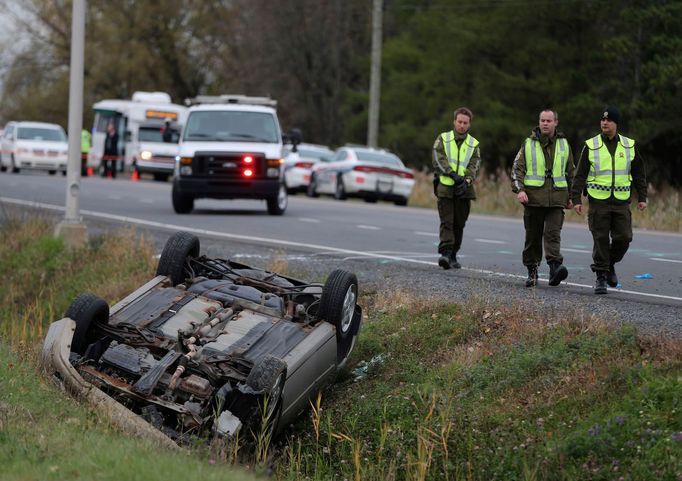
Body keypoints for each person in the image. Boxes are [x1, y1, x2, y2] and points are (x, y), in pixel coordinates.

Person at [571, 106, 647, 294]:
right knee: (600, 239)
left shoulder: (629, 145)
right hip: (599, 201)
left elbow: (639, 173)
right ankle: (601, 278)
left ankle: (609, 263)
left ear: (616, 124)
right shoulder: (591, 145)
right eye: (602, 120)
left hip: (621, 200)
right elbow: (580, 174)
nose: (605, 123)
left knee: (624, 238)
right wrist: (576, 198)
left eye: (609, 120)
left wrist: (643, 196)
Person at [511, 109, 575, 287]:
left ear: (556, 122)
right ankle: (532, 271)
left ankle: (555, 268)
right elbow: (517, 168)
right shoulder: (528, 143)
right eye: (542, 120)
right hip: (533, 199)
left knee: (553, 234)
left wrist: (573, 197)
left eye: (549, 120)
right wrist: (520, 190)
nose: (545, 123)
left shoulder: (564, 144)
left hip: (557, 199)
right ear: (538, 122)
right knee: (533, 237)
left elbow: (571, 172)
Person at [432, 107, 481, 269]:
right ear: (454, 122)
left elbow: (475, 165)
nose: (462, 125)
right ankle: (445, 253)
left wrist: (466, 181)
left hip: (464, 190)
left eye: (465, 123)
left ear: (469, 124)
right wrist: (452, 174)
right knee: (447, 222)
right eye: (459, 122)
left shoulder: (474, 144)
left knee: (459, 223)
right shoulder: (443, 139)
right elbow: (438, 159)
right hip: (446, 187)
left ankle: (453, 254)